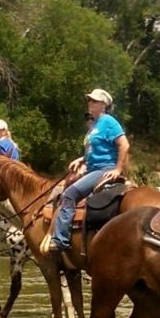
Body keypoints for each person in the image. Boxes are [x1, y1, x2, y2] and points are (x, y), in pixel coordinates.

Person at [48, 89, 129, 255]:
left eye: (94, 101)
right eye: (89, 100)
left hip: (103, 169)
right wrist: (82, 159)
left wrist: (118, 169)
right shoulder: (96, 125)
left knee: (69, 194)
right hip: (92, 168)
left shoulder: (108, 122)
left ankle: (60, 240)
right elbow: (95, 149)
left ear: (103, 105)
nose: (90, 103)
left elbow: (124, 145)